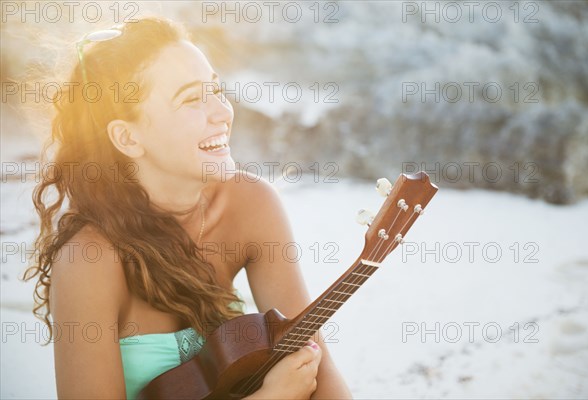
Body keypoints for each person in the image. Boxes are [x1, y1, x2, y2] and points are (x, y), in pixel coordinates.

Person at [22, 16, 352, 399]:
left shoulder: (249, 205)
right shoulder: (90, 258)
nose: (223, 113)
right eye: (192, 99)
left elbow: (323, 377)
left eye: (215, 89)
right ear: (127, 137)